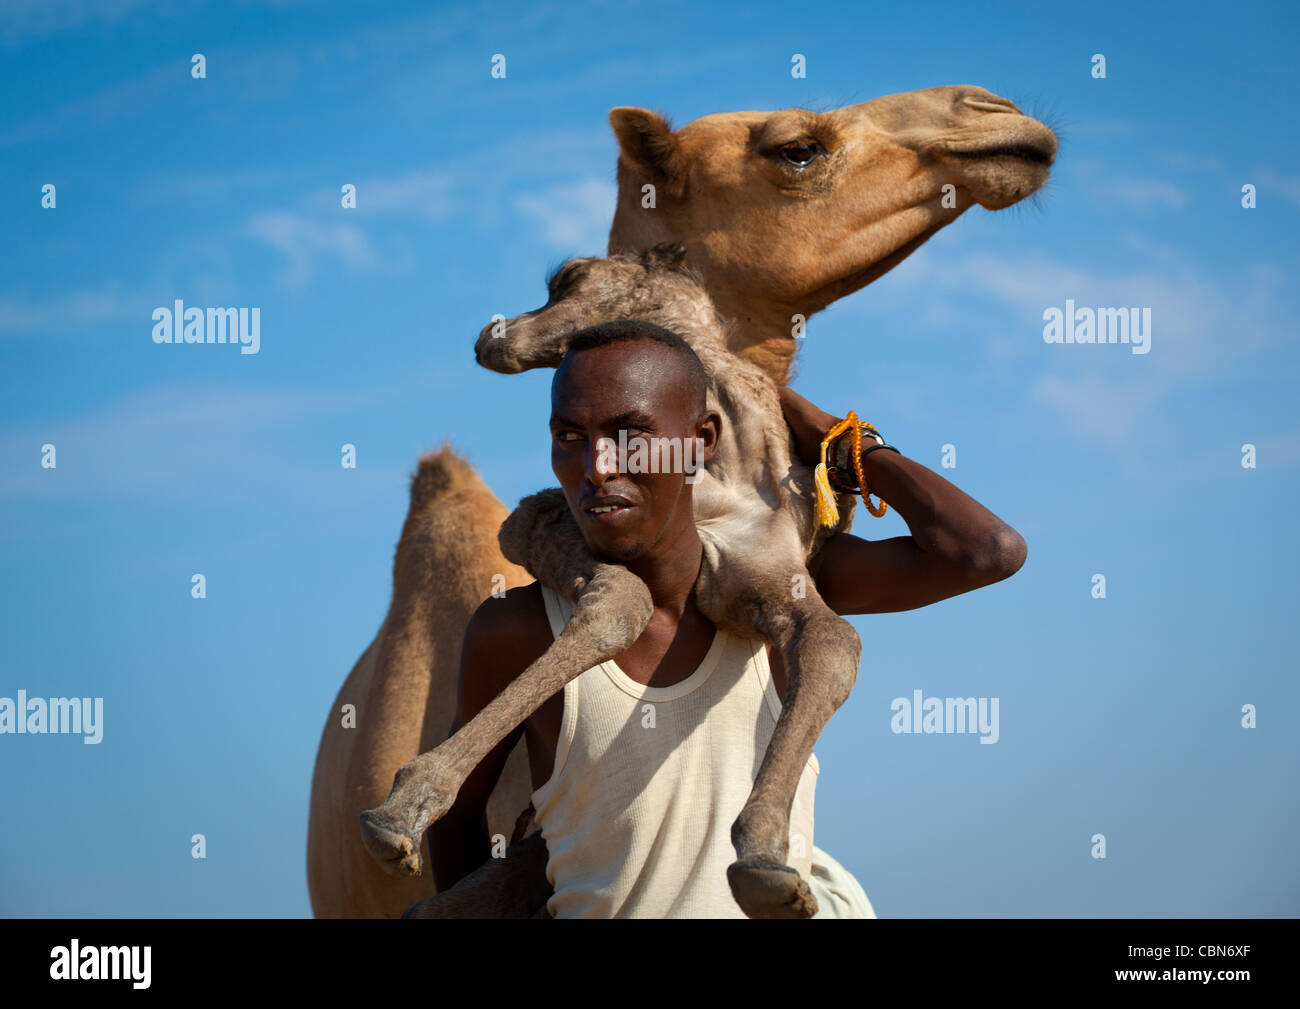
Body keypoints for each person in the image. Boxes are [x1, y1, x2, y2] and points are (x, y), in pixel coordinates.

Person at [426, 319, 1026, 918]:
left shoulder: (789, 594)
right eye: (570, 435)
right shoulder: (516, 629)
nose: (598, 467)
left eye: (631, 434)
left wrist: (844, 444)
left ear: (701, 440)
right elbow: (453, 821)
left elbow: (986, 551)